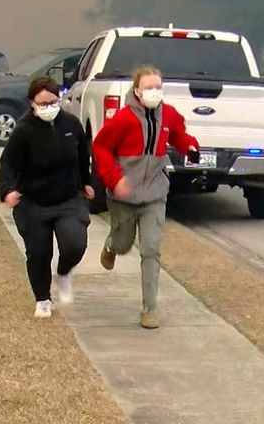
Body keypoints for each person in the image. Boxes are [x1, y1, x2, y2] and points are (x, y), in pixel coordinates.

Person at [92, 65, 199, 329]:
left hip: (154, 193)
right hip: (123, 196)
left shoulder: (169, 115)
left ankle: (149, 309)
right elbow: (101, 147)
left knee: (151, 250)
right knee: (124, 243)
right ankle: (111, 245)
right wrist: (116, 180)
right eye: (149, 88)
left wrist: (189, 146)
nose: (154, 92)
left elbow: (178, 134)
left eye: (158, 87)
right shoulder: (123, 119)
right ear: (137, 91)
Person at [0, 76, 95, 318]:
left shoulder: (72, 125)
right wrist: (8, 190)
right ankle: (43, 298)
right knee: (38, 252)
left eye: (53, 102)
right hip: (33, 201)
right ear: (32, 103)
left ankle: (63, 273)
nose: (49, 108)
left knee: (75, 243)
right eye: (43, 104)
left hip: (68, 198)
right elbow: (7, 164)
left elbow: (83, 158)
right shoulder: (23, 131)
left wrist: (87, 183)